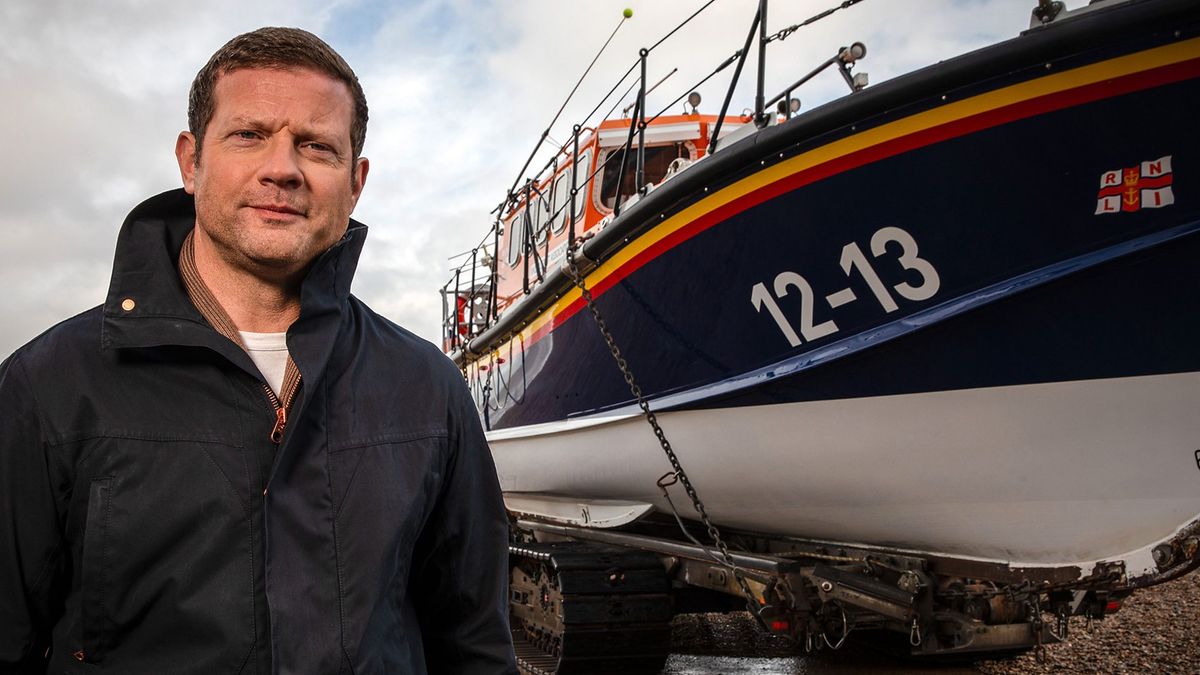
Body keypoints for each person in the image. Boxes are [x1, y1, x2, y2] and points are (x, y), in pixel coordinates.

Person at [0, 27, 516, 674]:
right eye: (249, 135)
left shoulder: (429, 390)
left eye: (317, 146)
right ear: (191, 161)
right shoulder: (48, 386)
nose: (283, 168)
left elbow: (474, 646)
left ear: (355, 182)